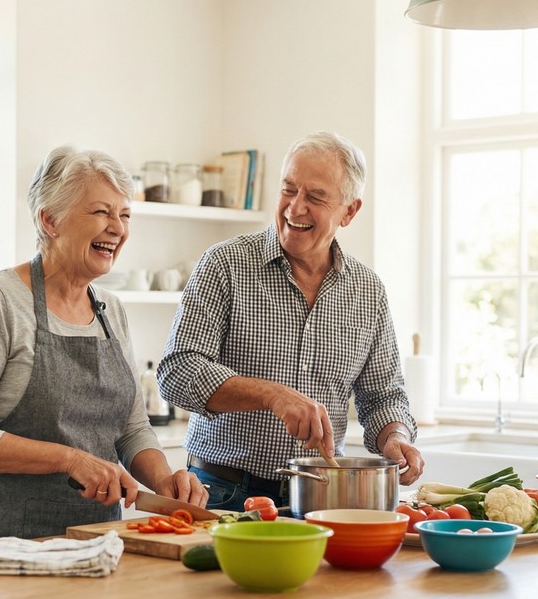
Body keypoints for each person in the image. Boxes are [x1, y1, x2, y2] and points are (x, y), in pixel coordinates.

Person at [0, 145, 208, 549]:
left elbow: (131, 430)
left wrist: (165, 481)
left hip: (92, 541)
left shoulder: (111, 310)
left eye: (124, 214)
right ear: (50, 220)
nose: (118, 228)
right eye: (101, 212)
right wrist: (69, 459)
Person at [157, 131, 424, 513]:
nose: (295, 208)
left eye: (315, 197)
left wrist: (395, 437)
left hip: (324, 495)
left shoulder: (368, 291)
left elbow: (384, 395)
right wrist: (273, 395)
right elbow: (178, 372)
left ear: (349, 211)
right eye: (288, 189)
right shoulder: (224, 265)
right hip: (224, 492)